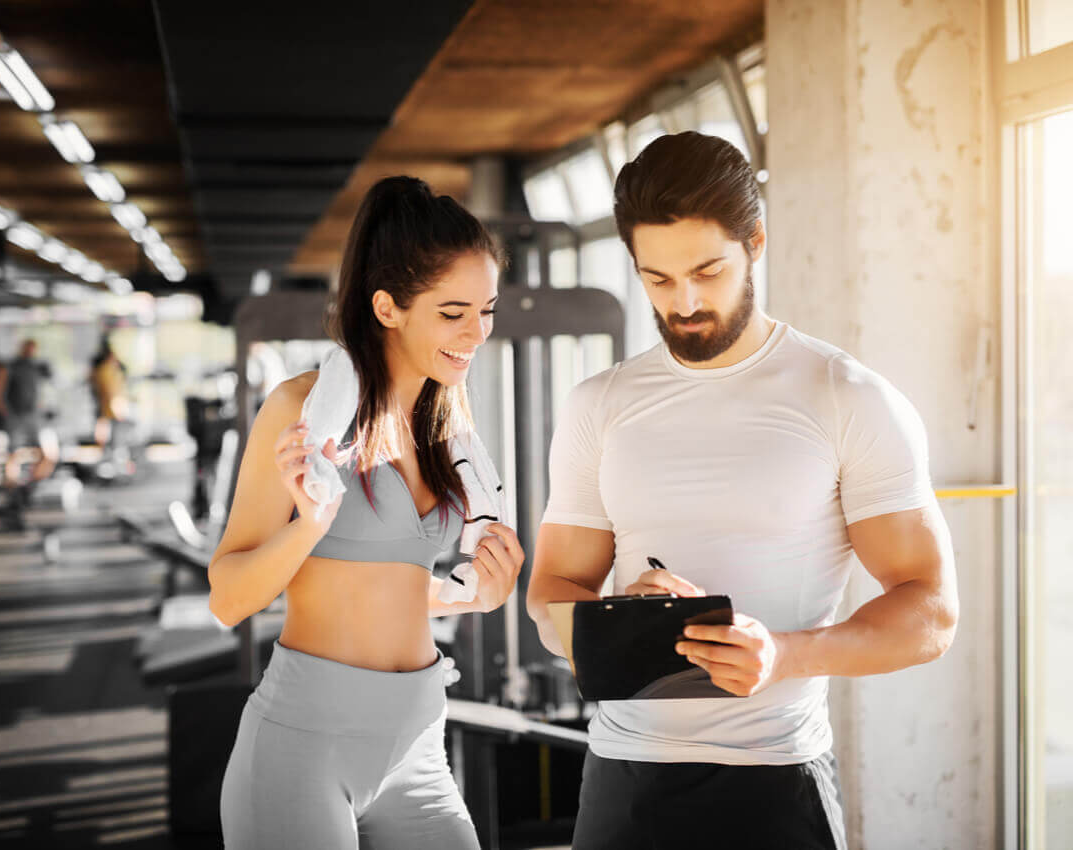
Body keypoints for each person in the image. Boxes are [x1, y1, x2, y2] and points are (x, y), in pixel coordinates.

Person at [526, 132, 959, 850]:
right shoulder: (597, 404)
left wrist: (785, 655)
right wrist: (615, 619)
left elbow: (932, 614)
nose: (685, 301)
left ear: (755, 242)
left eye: (707, 270)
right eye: (658, 280)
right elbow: (552, 593)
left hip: (774, 780)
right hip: (622, 780)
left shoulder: (846, 396)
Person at [209, 176, 525, 850]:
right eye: (453, 312)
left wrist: (475, 595)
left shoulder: (445, 424)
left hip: (417, 746)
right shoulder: (299, 411)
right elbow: (228, 598)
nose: (477, 333)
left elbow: (386, 585)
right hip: (303, 745)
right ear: (387, 306)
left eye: (486, 310)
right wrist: (309, 527)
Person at [0, 339, 56, 486]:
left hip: (32, 415)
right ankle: (12, 485)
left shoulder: (34, 368)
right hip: (15, 415)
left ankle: (33, 483)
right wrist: (6, 412)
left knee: (44, 453)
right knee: (13, 452)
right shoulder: (11, 367)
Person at [90, 340, 130, 459]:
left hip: (109, 404)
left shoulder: (108, 370)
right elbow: (109, 389)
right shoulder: (105, 370)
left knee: (110, 429)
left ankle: (110, 453)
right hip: (108, 404)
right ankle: (107, 453)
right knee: (107, 428)